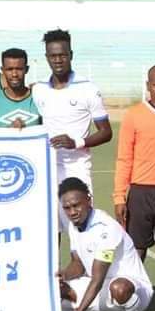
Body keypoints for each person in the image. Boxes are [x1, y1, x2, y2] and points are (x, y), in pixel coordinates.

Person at [58, 177, 152, 311]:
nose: (72, 212)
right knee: (54, 288)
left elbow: (97, 279)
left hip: (133, 289)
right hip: (100, 287)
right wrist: (62, 276)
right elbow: (78, 265)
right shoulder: (73, 226)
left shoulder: (106, 227)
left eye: (76, 205)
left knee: (119, 288)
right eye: (67, 208)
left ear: (89, 200)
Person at [114, 64, 155, 311]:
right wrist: (119, 196)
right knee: (134, 256)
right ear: (148, 86)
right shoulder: (134, 116)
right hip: (140, 195)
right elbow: (124, 158)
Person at [32, 29, 112, 231]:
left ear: (71, 55)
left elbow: (106, 132)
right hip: (47, 168)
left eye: (62, 55)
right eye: (53, 56)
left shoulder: (87, 88)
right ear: (47, 57)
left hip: (77, 169)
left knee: (81, 227)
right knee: (50, 229)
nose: (58, 60)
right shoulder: (38, 89)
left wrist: (76, 142)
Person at [0, 48, 41, 128]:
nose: (14, 74)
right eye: (9, 69)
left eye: (19, 69)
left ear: (26, 69)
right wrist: (9, 131)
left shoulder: (38, 97)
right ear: (2, 70)